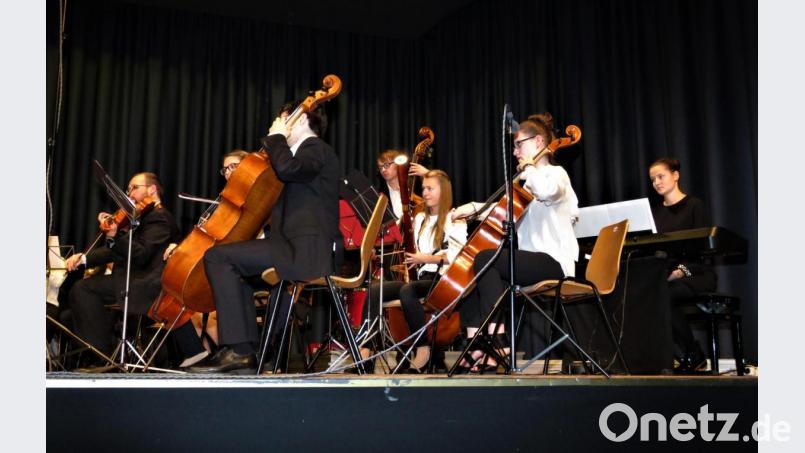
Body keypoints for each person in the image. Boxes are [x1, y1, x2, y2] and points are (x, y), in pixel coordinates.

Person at [189, 103, 342, 373]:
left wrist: (276, 138)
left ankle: (238, 349)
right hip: (290, 248)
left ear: (302, 118)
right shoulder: (294, 156)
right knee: (236, 270)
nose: (277, 122)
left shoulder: (315, 149)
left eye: (284, 118)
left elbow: (289, 169)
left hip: (305, 251)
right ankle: (244, 351)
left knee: (217, 257)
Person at [452, 112, 579, 373]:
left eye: (519, 144)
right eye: (514, 146)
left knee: (487, 258)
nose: (515, 151)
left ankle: (497, 341)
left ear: (540, 142)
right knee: (472, 271)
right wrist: (473, 207)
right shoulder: (526, 183)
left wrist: (530, 168)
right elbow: (501, 211)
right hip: (531, 265)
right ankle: (476, 342)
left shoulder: (556, 174)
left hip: (554, 262)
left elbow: (548, 192)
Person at [64, 172, 192, 366]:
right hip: (132, 278)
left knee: (83, 289)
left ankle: (102, 356)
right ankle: (103, 352)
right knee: (80, 297)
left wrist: (117, 235)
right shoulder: (142, 219)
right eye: (128, 189)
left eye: (134, 188)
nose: (129, 193)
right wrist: (84, 258)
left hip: (148, 283)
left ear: (152, 189)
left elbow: (140, 255)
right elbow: (117, 252)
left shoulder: (160, 218)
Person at [361, 170, 467, 373]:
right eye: (424, 188)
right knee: (376, 290)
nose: (424, 193)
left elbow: (457, 255)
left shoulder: (455, 219)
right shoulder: (420, 219)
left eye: (430, 188)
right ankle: (367, 350)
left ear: (443, 191)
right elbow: (415, 253)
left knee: (407, 291)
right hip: (420, 280)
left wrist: (427, 259)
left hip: (441, 281)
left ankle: (422, 349)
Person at [162, 149, 250, 360]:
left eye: (234, 166)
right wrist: (180, 248)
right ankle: (203, 353)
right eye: (225, 169)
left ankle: (220, 352)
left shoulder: (251, 199)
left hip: (239, 264)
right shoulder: (224, 202)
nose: (228, 172)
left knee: (191, 298)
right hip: (218, 262)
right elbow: (205, 236)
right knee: (176, 286)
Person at [649, 157, 716, 372]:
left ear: (675, 175)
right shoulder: (656, 213)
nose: (657, 182)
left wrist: (681, 272)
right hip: (667, 276)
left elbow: (703, 250)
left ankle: (693, 354)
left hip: (696, 273)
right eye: (653, 179)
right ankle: (665, 359)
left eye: (661, 176)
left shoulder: (695, 206)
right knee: (647, 295)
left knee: (663, 296)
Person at [376, 149, 429, 221]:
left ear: (398, 163)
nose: (383, 170)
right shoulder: (379, 195)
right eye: (380, 167)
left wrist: (428, 174)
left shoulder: (416, 187)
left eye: (386, 165)